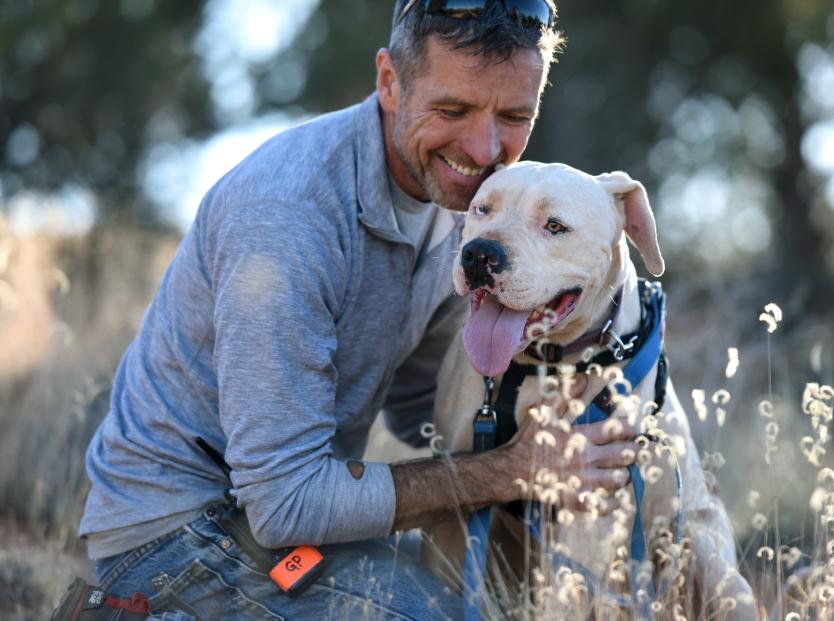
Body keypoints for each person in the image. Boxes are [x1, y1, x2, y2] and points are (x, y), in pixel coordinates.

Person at [77, 2, 632, 618]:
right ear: (390, 81)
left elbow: (424, 404)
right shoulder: (288, 217)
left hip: (295, 528)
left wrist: (575, 434)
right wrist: (512, 471)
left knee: (513, 602)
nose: (484, 148)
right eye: (452, 110)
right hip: (182, 532)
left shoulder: (471, 210)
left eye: (513, 116)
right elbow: (285, 501)